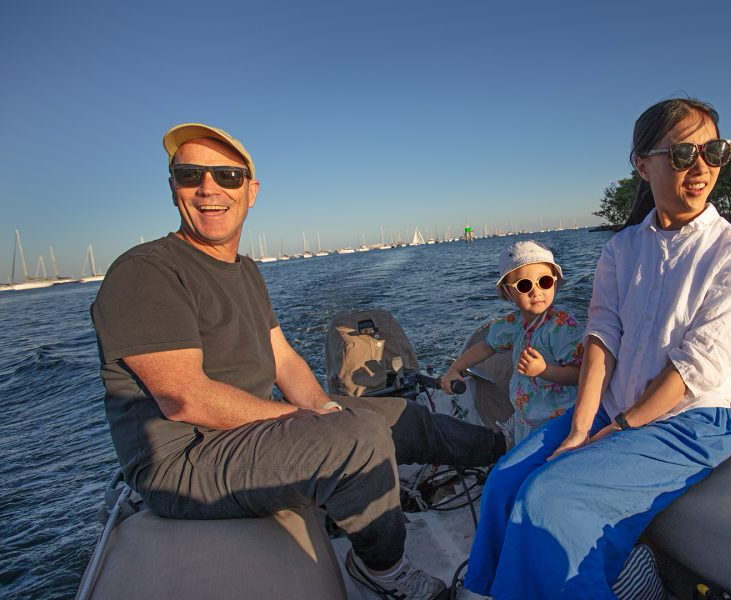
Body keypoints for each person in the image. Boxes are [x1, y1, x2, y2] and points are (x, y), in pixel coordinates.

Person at [90, 123, 507, 600]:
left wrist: (324, 409)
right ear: (173, 188)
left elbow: (283, 358)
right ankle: (384, 571)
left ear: (250, 191)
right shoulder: (146, 271)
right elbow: (185, 398)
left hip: (244, 431)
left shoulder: (245, 271)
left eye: (227, 176)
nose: (208, 188)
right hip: (186, 458)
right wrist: (317, 422)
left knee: (401, 417)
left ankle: (504, 449)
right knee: (359, 437)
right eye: (190, 175)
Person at [458, 98, 731, 599]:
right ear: (643, 165)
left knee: (549, 499)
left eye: (713, 151)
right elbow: (601, 338)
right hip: (610, 408)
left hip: (686, 422)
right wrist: (583, 427)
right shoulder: (621, 249)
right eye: (683, 153)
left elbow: (696, 366)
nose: (701, 167)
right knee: (504, 483)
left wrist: (618, 430)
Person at [440, 240, 584, 445]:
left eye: (544, 281)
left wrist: (544, 371)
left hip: (558, 424)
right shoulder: (511, 324)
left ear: (554, 282)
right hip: (524, 420)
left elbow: (581, 374)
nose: (535, 291)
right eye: (524, 285)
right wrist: (455, 368)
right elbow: (486, 346)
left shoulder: (562, 326)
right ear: (508, 292)